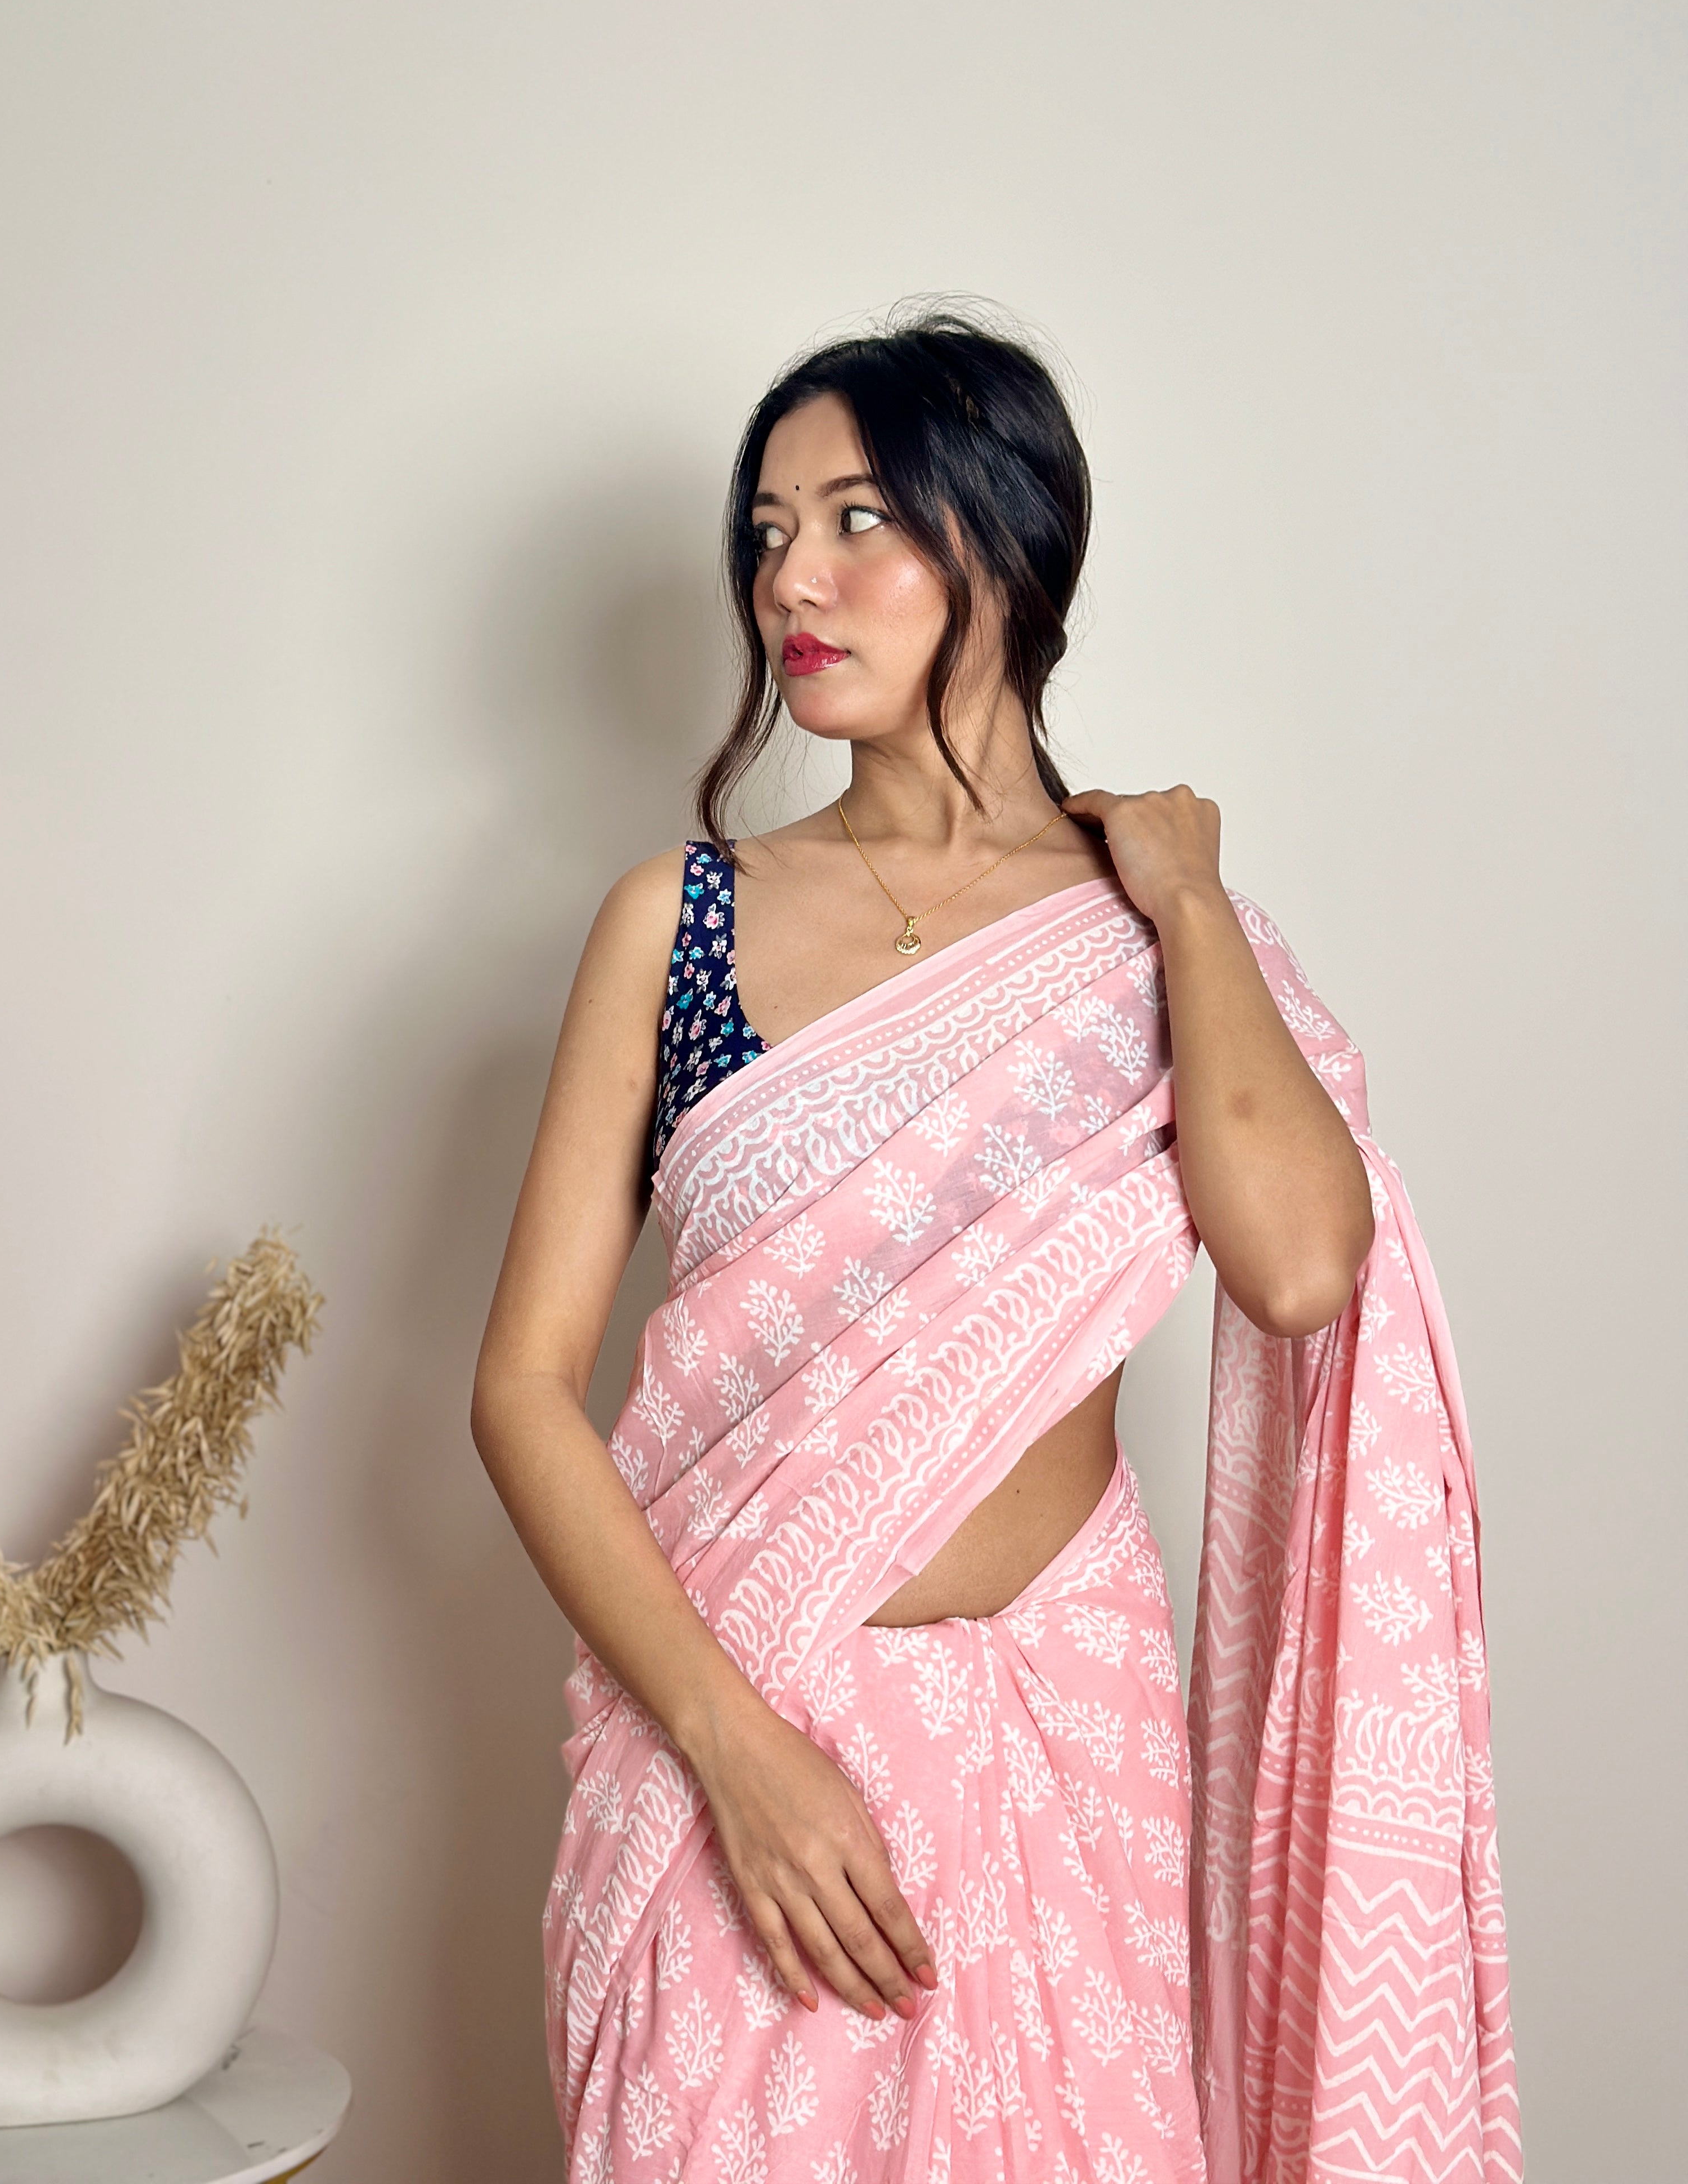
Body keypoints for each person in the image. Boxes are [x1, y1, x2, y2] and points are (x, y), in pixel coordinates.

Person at [471, 314, 1520, 2184]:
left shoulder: (1150, 939)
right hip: (734, 1732)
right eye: (768, 532)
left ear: (1008, 541)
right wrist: (737, 1750)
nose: (792, 580)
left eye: (856, 519)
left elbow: (1302, 1270)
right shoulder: (679, 921)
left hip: (1063, 1727)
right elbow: (524, 1390)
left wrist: (1186, 898)